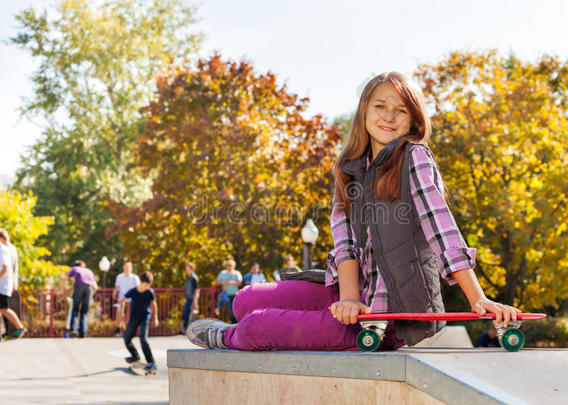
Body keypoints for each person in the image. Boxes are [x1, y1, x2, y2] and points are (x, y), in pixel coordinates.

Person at [186, 72, 520, 351]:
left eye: (400, 110)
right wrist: (347, 299)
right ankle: (248, 324)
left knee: (256, 324)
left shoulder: (414, 158)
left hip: (387, 316)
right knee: (244, 300)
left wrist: (478, 298)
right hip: (352, 296)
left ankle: (229, 337)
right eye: (380, 106)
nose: (388, 117)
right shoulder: (349, 169)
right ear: (364, 111)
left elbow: (441, 229)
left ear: (413, 120)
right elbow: (344, 243)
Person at [120, 271, 159, 373]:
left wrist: (155, 318)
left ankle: (151, 361)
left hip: (145, 317)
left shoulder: (149, 292)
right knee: (127, 338)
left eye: (148, 285)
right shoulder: (133, 291)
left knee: (143, 339)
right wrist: (122, 314)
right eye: (145, 285)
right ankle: (135, 355)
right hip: (134, 318)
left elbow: (154, 304)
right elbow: (122, 300)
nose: (147, 287)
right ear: (141, 282)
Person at [60, 260, 98, 338]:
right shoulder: (89, 271)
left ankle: (74, 331)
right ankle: (83, 333)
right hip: (88, 289)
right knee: (84, 312)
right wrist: (90, 295)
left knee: (75, 310)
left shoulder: (74, 269)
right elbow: (95, 287)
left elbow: (64, 278)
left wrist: (61, 290)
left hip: (79, 288)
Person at [0, 229, 26, 339]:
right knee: (2, 309)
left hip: (3, 285)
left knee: (4, 309)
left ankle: (20, 327)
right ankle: (3, 332)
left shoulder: (4, 249)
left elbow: (6, 268)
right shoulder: (10, 248)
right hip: (5, 284)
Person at [113, 260, 140, 333]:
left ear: (131, 268)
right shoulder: (119, 277)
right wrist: (114, 293)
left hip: (132, 299)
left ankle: (128, 329)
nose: (126, 269)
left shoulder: (135, 277)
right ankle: (118, 329)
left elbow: (138, 288)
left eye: (128, 267)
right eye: (125, 267)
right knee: (119, 313)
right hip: (122, 299)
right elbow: (117, 287)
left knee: (129, 315)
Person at [182, 262, 199, 333]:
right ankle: (187, 329)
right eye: (186, 269)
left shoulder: (194, 278)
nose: (187, 270)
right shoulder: (188, 277)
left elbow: (197, 289)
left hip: (192, 299)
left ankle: (189, 329)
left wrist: (195, 300)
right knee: (188, 313)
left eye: (188, 269)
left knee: (190, 314)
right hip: (188, 298)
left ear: (192, 269)